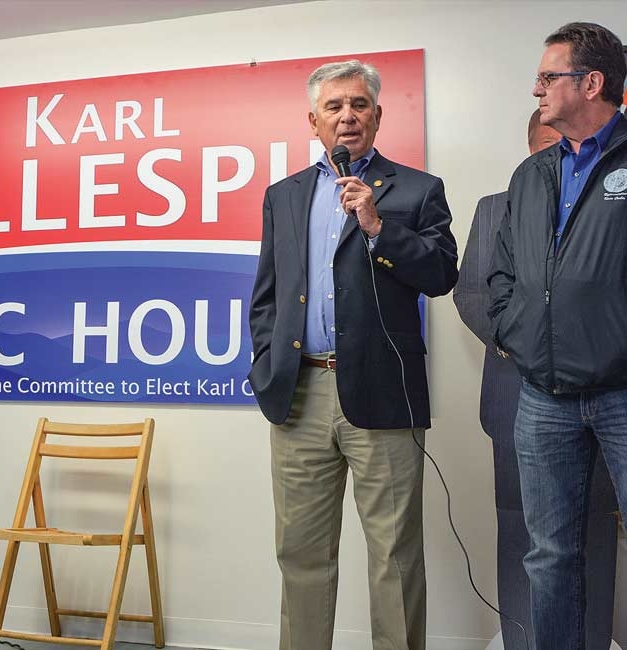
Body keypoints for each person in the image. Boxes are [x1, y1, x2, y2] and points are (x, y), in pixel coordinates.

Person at [248, 60, 458, 650]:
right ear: (313, 121)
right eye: (335, 107)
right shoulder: (282, 196)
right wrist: (266, 362)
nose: (348, 117)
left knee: (393, 558)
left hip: (383, 395)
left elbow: (442, 274)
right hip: (298, 395)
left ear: (378, 116)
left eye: (359, 105)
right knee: (301, 554)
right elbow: (266, 294)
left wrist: (376, 226)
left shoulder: (417, 189)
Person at [455, 109, 619, 650]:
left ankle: (594, 639)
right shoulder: (496, 206)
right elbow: (475, 294)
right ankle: (522, 640)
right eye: (547, 141)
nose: (559, 148)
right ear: (530, 147)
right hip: (518, 397)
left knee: (594, 528)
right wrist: (531, 346)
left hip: (608, 391)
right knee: (526, 536)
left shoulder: (610, 199)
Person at [488, 22, 627, 650]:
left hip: (623, 392)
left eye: (549, 76)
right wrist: (515, 333)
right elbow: (503, 275)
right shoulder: (531, 175)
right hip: (542, 398)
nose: (536, 88)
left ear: (591, 83)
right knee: (550, 556)